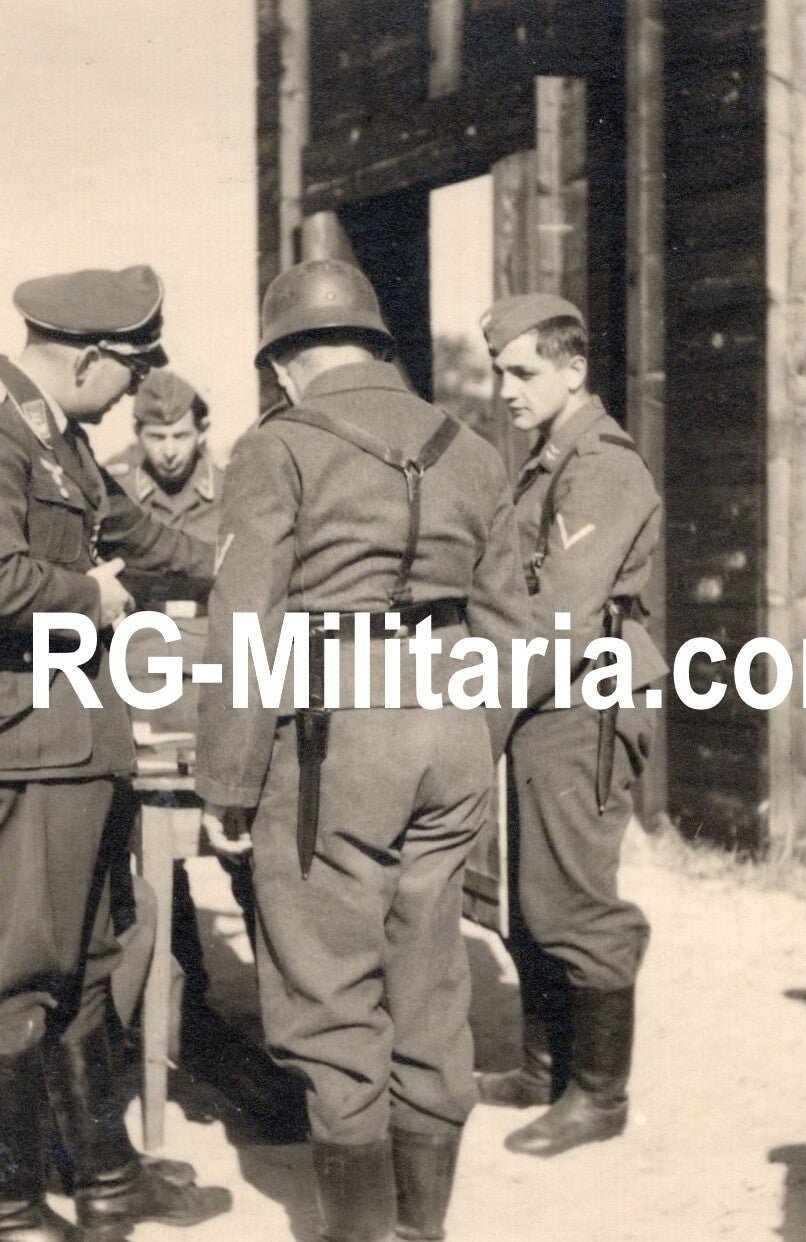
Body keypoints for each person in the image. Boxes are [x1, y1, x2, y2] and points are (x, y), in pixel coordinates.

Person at [196, 258, 531, 1242]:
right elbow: (513, 626)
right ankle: (421, 1231)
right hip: (451, 725)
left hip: (334, 733)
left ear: (288, 360)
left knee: (328, 994)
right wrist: (475, 730)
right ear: (378, 348)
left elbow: (246, 622)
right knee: (427, 977)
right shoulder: (471, 448)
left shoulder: (277, 446)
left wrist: (228, 780)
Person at [0, 265, 231, 1239]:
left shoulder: (63, 443)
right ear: (90, 355)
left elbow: (138, 536)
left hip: (83, 747)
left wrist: (244, 563)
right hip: (32, 746)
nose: (138, 393)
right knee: (17, 976)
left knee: (94, 961)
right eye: (132, 371)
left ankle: (104, 1176)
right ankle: (11, 1201)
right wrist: (89, 597)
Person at [476, 293, 668, 1158]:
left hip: (580, 699)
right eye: (498, 372)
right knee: (528, 898)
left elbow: (559, 617)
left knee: (574, 904)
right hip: (545, 699)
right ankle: (543, 1068)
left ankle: (599, 1097)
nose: (505, 388)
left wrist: (480, 710)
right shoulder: (549, 458)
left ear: (573, 368)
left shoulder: (600, 465)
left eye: (522, 371)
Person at [105, 369, 302, 1138]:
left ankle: (290, 1038)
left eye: (181, 436)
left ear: (201, 429)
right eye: (155, 438)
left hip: (222, 701)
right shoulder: (116, 488)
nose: (169, 452)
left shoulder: (233, 484)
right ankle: (197, 1035)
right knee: (155, 889)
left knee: (259, 867)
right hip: (146, 706)